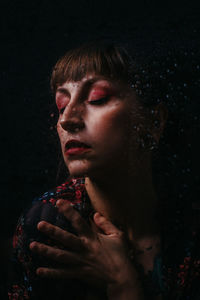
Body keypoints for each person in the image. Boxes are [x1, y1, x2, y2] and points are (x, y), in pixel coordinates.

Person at [8, 41, 200, 300]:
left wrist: (125, 286)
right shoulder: (46, 226)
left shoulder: (190, 226)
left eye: (97, 99)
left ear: (153, 122)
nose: (66, 120)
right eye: (62, 105)